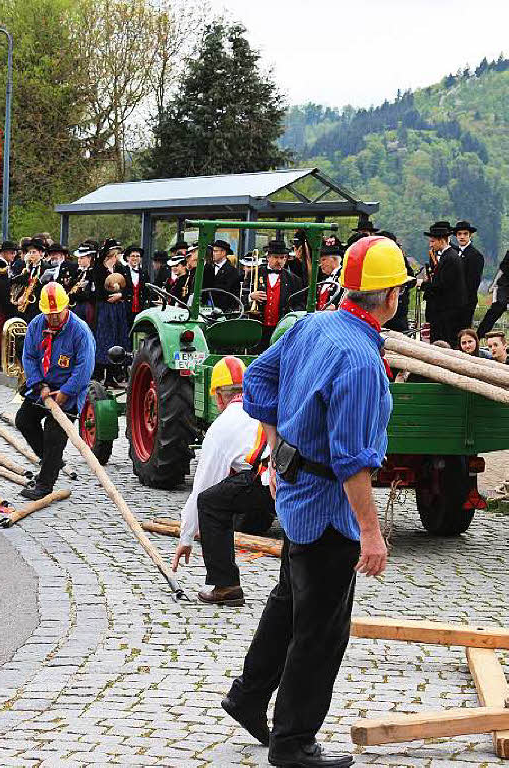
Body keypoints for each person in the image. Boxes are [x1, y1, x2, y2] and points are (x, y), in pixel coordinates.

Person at [223, 234, 407, 768]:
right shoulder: (361, 362)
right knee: (322, 629)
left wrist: (276, 452)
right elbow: (353, 460)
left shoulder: (311, 324)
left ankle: (249, 695)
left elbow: (256, 378)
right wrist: (371, 533)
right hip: (328, 508)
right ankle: (294, 741)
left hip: (298, 494)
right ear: (391, 297)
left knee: (289, 601)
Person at [171, 357, 274, 606]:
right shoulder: (262, 405)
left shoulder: (222, 426)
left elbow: (202, 488)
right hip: (284, 475)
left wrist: (186, 538)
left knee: (211, 503)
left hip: (266, 480)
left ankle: (225, 585)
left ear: (218, 396)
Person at [15, 282, 95, 500]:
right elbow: (29, 357)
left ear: (66, 307)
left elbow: (84, 367)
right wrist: (40, 385)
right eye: (49, 314)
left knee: (54, 435)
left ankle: (44, 485)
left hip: (68, 390)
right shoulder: (36, 325)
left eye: (57, 313)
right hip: (43, 386)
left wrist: (66, 392)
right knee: (23, 420)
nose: (54, 318)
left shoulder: (80, 331)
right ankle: (51, 460)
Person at [247, 240, 304, 349]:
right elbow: (240, 295)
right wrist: (251, 297)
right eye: (276, 257)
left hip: (281, 328)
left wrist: (290, 315)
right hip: (258, 327)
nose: (280, 261)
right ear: (268, 257)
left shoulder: (294, 279)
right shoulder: (254, 273)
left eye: (283, 258)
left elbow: (300, 303)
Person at [420, 221, 467, 345]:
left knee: (444, 341)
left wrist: (422, 284)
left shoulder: (450, 258)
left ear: (442, 240)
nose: (431, 244)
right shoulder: (448, 256)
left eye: (433, 241)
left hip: (447, 312)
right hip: (443, 311)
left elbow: (441, 286)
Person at [91, 239, 130, 386]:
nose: (116, 258)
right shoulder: (99, 269)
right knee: (105, 339)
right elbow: (99, 290)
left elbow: (128, 287)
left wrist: (121, 295)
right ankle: (102, 373)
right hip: (105, 308)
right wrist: (109, 297)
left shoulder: (120, 268)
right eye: (115, 255)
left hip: (118, 308)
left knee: (117, 338)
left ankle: (113, 375)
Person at [453, 220, 484, 331]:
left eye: (465, 234)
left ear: (470, 235)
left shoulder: (476, 255)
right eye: (459, 234)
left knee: (463, 333)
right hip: (452, 302)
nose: (462, 237)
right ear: (456, 236)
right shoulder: (454, 253)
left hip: (466, 302)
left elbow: (473, 283)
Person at [478, 249, 509, 338]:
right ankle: (479, 335)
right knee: (499, 305)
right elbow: (502, 270)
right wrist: (493, 284)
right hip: (505, 284)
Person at [206, 239, 240, 312]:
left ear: (223, 252)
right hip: (206, 309)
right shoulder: (208, 267)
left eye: (215, 251)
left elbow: (231, 293)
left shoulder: (232, 271)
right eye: (212, 251)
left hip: (223, 311)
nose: (212, 254)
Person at [123, 245, 149, 320]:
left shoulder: (144, 272)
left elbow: (147, 291)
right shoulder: (122, 271)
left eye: (137, 256)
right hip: (125, 309)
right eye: (133, 256)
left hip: (140, 309)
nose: (135, 258)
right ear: (128, 258)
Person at [316, 244, 343, 310]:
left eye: (323, 260)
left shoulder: (344, 276)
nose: (320, 264)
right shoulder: (323, 278)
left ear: (334, 260)